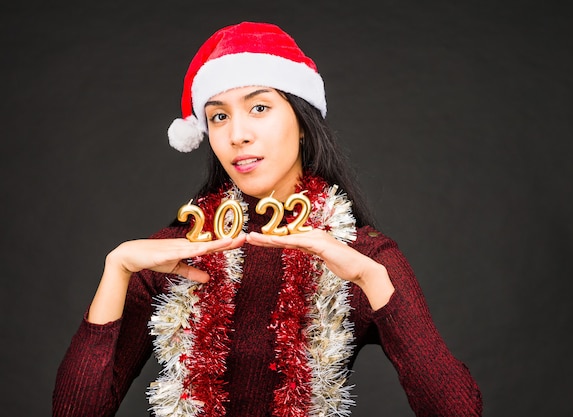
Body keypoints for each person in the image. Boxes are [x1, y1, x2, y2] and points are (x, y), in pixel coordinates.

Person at [52, 21, 482, 417]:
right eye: (219, 116)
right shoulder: (179, 251)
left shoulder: (360, 253)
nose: (237, 134)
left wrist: (374, 281)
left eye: (259, 108)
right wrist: (117, 267)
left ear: (301, 122)